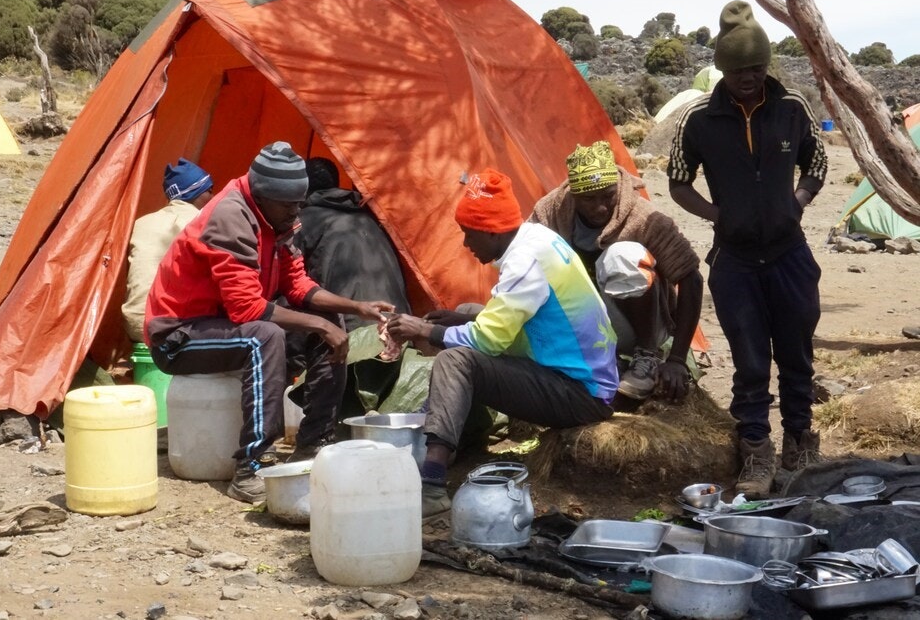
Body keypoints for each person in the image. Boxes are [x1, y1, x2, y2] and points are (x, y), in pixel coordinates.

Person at [145, 141, 393, 503]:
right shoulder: (230, 217)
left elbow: (296, 285)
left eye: (299, 203)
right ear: (262, 196)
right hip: (178, 335)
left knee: (326, 318)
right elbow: (247, 310)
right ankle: (251, 465)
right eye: (289, 204)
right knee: (264, 336)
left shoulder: (277, 218)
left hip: (222, 324)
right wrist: (320, 327)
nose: (297, 213)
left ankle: (314, 443)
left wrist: (355, 307)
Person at [386, 168, 619, 516]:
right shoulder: (535, 237)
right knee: (466, 312)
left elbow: (489, 340)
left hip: (581, 393)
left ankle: (432, 482)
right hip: (572, 371)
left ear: (491, 232)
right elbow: (521, 319)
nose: (466, 244)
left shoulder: (525, 262)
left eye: (468, 235)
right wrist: (460, 320)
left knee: (456, 360)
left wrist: (425, 331)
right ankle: (462, 438)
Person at [668, 0, 828, 498]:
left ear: (767, 66)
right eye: (739, 69)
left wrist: (796, 202)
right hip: (735, 262)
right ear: (724, 69)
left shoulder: (792, 108)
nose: (749, 77)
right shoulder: (698, 118)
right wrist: (720, 216)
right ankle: (756, 451)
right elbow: (677, 182)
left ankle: (800, 446)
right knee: (752, 361)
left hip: (790, 256)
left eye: (757, 67)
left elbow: (818, 162)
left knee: (798, 356)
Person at [529, 140, 702, 403]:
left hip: (636, 326)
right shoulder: (550, 212)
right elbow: (522, 262)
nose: (600, 207)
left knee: (622, 257)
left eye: (607, 196)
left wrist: (677, 359)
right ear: (573, 195)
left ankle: (646, 357)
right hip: (584, 322)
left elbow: (691, 278)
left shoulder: (643, 217)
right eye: (588, 199)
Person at [296, 157, 411, 331]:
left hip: (352, 328)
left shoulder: (304, 221)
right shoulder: (368, 217)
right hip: (398, 322)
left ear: (301, 187)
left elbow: (286, 278)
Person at [122, 158, 215, 343]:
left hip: (135, 324)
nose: (213, 198)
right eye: (209, 191)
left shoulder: (141, 223)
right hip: (172, 327)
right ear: (195, 193)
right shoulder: (201, 223)